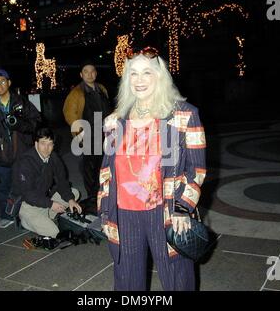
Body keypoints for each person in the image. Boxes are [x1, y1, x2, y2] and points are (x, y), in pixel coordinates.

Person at [97, 47, 207, 291]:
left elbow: (196, 169)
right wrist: (105, 211)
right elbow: (107, 171)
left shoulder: (184, 115)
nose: (139, 80)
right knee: (126, 280)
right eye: (133, 74)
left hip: (166, 211)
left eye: (146, 72)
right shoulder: (117, 119)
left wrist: (182, 208)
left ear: (160, 76)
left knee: (176, 278)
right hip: (124, 213)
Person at [0, 69, 41, 229]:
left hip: (21, 152)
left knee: (24, 185)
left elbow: (36, 122)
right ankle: (7, 215)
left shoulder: (21, 102)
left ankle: (25, 215)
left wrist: (18, 124)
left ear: (9, 83)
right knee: (2, 187)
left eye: (2, 81)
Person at [11, 127, 82, 248]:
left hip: (45, 201)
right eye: (43, 143)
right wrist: (51, 204)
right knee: (54, 233)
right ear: (36, 143)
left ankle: (47, 216)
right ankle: (26, 221)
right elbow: (28, 194)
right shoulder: (25, 162)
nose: (46, 148)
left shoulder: (53, 158)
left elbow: (62, 182)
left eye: (50, 144)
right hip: (28, 206)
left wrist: (70, 199)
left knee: (74, 193)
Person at [63, 60, 112, 201]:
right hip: (89, 134)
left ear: (96, 73)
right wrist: (79, 132)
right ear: (81, 74)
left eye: (92, 71)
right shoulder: (77, 92)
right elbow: (69, 113)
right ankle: (92, 197)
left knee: (104, 164)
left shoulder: (101, 88)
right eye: (86, 72)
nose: (89, 74)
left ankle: (104, 192)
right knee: (90, 168)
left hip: (104, 133)